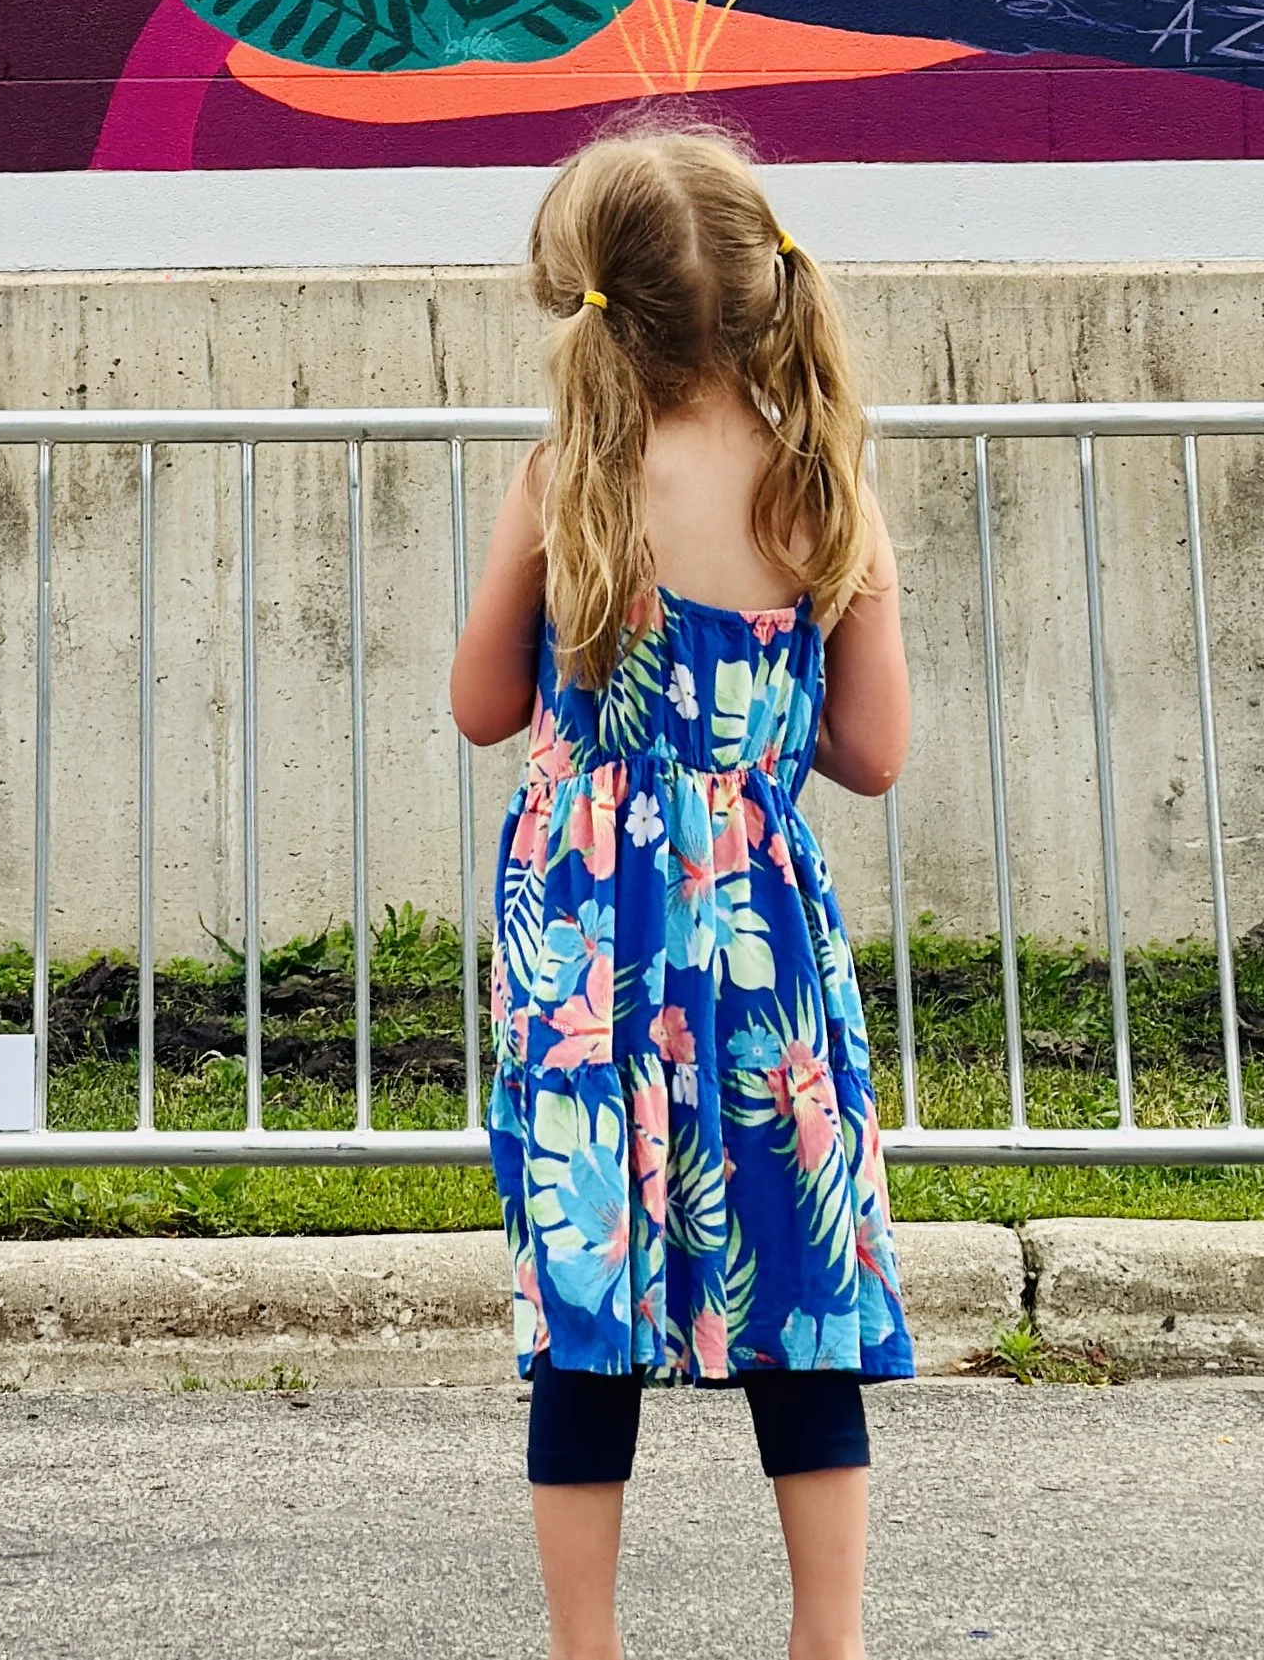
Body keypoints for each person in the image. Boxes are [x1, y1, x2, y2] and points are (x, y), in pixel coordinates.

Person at [450, 123, 913, 1660]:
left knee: (588, 1311)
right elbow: (873, 749)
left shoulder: (564, 483)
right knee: (799, 1287)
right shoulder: (818, 487)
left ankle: (591, 1649)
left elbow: (475, 705)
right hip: (758, 946)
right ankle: (825, 1640)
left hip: (590, 947)